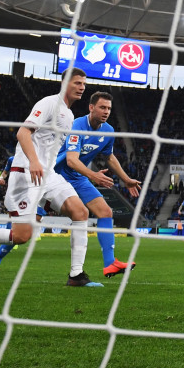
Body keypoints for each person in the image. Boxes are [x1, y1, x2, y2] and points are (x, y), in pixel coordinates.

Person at [0, 68, 102, 287]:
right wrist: (35, 161)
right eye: (77, 83)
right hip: (27, 174)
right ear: (65, 84)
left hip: (48, 175)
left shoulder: (69, 114)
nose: (82, 87)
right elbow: (23, 133)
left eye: (84, 83)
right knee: (20, 236)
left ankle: (76, 275)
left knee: (80, 211)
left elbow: (53, 149)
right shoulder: (48, 104)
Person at [53, 91, 141, 278]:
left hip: (77, 177)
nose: (106, 111)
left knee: (105, 212)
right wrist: (94, 176)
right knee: (25, 229)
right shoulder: (77, 125)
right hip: (55, 176)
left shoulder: (108, 131)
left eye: (109, 108)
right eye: (102, 107)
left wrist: (125, 179)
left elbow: (109, 157)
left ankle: (110, 264)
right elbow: (71, 160)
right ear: (91, 107)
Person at [0, 155, 47, 279]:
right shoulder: (14, 159)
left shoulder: (47, 156)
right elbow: (5, 172)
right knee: (16, 232)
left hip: (41, 194)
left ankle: (9, 241)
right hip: (20, 195)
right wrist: (1, 178)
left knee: (31, 224)